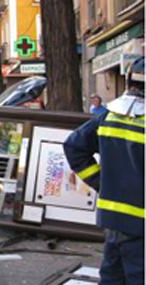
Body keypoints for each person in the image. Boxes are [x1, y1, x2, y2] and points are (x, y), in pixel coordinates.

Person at [63, 57, 144, 284]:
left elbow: (73, 146)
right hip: (141, 221)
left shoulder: (107, 116)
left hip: (112, 216)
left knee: (112, 275)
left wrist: (101, 182)